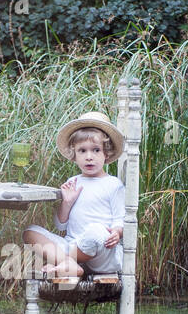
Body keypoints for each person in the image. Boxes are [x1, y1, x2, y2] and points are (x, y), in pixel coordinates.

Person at [23, 111, 126, 279]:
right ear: (74, 155)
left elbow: (120, 218)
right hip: (72, 245)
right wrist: (67, 202)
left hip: (102, 252)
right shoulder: (73, 182)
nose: (89, 157)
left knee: (96, 231)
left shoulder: (113, 184)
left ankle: (64, 262)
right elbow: (60, 225)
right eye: (82, 151)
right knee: (30, 232)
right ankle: (70, 265)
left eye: (96, 150)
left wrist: (116, 232)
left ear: (106, 154)